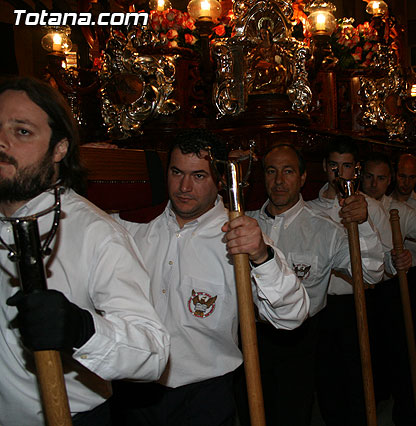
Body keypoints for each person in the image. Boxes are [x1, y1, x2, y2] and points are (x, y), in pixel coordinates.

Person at [0, 77, 170, 425]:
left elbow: (153, 352)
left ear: (60, 148)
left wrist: (81, 329)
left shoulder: (96, 233)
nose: (2, 142)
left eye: (22, 132)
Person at [112, 130, 309, 426]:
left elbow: (292, 316)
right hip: (136, 390)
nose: (184, 186)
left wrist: (261, 257)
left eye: (199, 176)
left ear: (219, 180)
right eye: (177, 172)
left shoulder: (241, 237)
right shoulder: (135, 228)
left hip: (204, 396)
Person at [239, 144, 384, 426]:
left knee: (292, 416)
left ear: (303, 178)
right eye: (272, 171)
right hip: (248, 338)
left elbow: (370, 272)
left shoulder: (326, 230)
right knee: (249, 416)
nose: (279, 181)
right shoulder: (246, 224)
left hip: (299, 345)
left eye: (288, 171)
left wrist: (363, 223)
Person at [307, 136, 393, 426]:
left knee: (360, 376)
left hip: (359, 301)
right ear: (324, 167)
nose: (338, 173)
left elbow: (382, 260)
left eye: (345, 167)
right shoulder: (308, 210)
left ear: (355, 170)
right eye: (333, 165)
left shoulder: (371, 207)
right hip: (322, 306)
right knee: (327, 380)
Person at [361, 153, 416, 425]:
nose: (374, 184)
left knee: (402, 350)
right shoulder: (347, 205)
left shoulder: (396, 210)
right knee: (368, 353)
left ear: (388, 181)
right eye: (369, 177)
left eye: (380, 178)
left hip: (390, 290)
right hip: (359, 290)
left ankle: (408, 410)